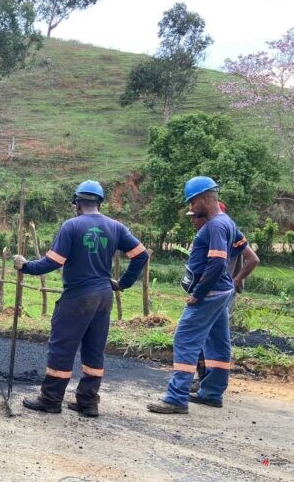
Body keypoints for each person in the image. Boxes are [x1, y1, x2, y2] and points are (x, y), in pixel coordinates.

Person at [13, 180, 148, 417]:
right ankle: (88, 402)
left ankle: (51, 399)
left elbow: (53, 262)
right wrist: (123, 283)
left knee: (62, 347)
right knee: (94, 350)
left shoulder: (71, 226)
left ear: (77, 203)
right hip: (104, 296)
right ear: (99, 203)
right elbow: (141, 255)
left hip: (78, 297)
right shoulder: (116, 227)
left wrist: (25, 266)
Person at [148, 176, 246, 414]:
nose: (191, 208)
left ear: (205, 198)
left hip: (211, 292)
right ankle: (212, 393)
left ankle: (176, 397)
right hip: (223, 291)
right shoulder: (227, 222)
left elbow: (216, 264)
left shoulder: (214, 225)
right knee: (218, 341)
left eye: (192, 202)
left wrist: (198, 294)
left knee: (185, 339)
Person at [186, 204, 259, 392]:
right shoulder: (224, 230)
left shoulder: (220, 231)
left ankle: (203, 381)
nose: (192, 220)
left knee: (196, 337)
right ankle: (209, 385)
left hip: (213, 293)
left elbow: (251, 259)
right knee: (215, 339)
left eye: (195, 216)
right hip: (219, 293)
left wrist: (234, 281)